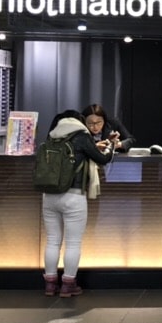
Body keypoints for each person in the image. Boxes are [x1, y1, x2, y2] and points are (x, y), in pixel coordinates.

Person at [40, 109, 113, 298]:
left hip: (48, 195)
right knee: (72, 243)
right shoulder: (81, 136)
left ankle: (49, 285)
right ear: (80, 121)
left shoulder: (52, 136)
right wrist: (111, 146)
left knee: (53, 240)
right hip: (73, 196)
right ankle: (68, 285)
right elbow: (103, 159)